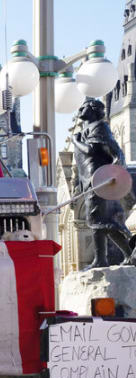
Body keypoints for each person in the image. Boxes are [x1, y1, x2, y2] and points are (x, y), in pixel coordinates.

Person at [71, 98, 136, 268]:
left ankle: (101, 259)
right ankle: (130, 254)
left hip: (100, 180)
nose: (80, 110)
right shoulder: (87, 129)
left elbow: (92, 151)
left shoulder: (99, 127)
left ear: (92, 110)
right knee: (106, 222)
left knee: (98, 220)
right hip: (92, 180)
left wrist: (76, 141)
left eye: (83, 107)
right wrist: (77, 186)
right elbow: (81, 163)